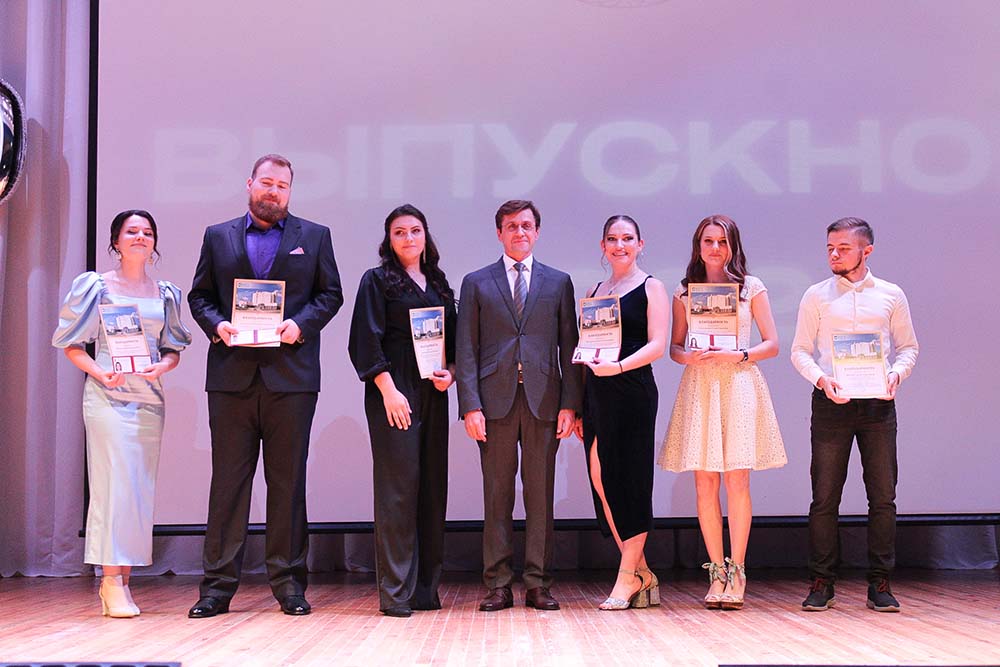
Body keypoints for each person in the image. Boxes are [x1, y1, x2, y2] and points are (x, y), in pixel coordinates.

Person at [187, 154, 343, 618]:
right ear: (250, 184)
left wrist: (301, 325)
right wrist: (218, 326)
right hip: (231, 377)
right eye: (267, 182)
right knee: (228, 485)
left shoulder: (314, 236)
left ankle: (290, 585)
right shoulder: (218, 236)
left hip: (291, 379)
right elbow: (200, 295)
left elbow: (330, 294)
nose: (274, 191)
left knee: (288, 484)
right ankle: (216, 589)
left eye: (283, 185)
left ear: (290, 191)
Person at [52, 209, 192, 617]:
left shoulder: (165, 292)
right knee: (113, 485)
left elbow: (173, 349)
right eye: (132, 232)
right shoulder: (96, 287)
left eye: (147, 232)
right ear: (115, 241)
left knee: (137, 489)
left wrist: (162, 366)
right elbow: (71, 344)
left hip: (149, 399)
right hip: (107, 396)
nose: (140, 237)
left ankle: (124, 581)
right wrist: (100, 372)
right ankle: (111, 580)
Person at [456, 200, 582, 612]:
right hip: (493, 403)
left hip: (545, 401)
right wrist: (470, 405)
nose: (520, 232)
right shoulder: (476, 282)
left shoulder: (558, 282)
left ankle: (538, 583)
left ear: (537, 232)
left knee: (540, 495)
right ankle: (497, 584)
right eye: (511, 226)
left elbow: (570, 348)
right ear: (499, 233)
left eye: (526, 225)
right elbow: (467, 349)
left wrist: (570, 404)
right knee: (497, 495)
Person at [659, 214, 786, 610]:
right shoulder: (685, 292)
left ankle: (738, 570)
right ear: (698, 247)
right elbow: (674, 348)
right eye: (708, 241)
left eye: (722, 242)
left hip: (739, 382)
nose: (715, 248)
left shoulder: (751, 288)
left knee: (737, 481)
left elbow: (772, 343)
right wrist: (688, 357)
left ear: (733, 246)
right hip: (701, 385)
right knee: (704, 483)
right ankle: (715, 572)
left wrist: (740, 354)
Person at [791, 217, 918, 613]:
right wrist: (821, 379)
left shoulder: (891, 294)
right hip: (832, 402)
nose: (834, 254)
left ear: (867, 250)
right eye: (830, 247)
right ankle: (821, 581)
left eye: (843, 248)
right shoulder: (816, 295)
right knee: (824, 497)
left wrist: (897, 374)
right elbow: (799, 351)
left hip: (878, 405)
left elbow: (908, 348)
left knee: (883, 497)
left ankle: (880, 582)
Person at [348, 204, 456, 617]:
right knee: (398, 492)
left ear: (425, 236)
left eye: (415, 231)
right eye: (399, 232)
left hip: (433, 392)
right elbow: (364, 340)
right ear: (388, 240)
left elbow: (453, 343)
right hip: (394, 392)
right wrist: (388, 391)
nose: (408, 238)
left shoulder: (439, 284)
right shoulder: (376, 281)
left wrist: (451, 374)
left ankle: (425, 591)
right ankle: (396, 593)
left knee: (431, 488)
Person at [573, 215, 667, 610]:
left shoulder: (652, 287)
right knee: (602, 479)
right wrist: (581, 406)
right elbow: (587, 346)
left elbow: (658, 344)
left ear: (640, 244)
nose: (620, 245)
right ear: (603, 246)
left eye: (627, 238)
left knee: (631, 482)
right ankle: (642, 571)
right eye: (612, 239)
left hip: (632, 391)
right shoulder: (595, 291)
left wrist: (620, 366)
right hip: (598, 392)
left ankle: (626, 577)